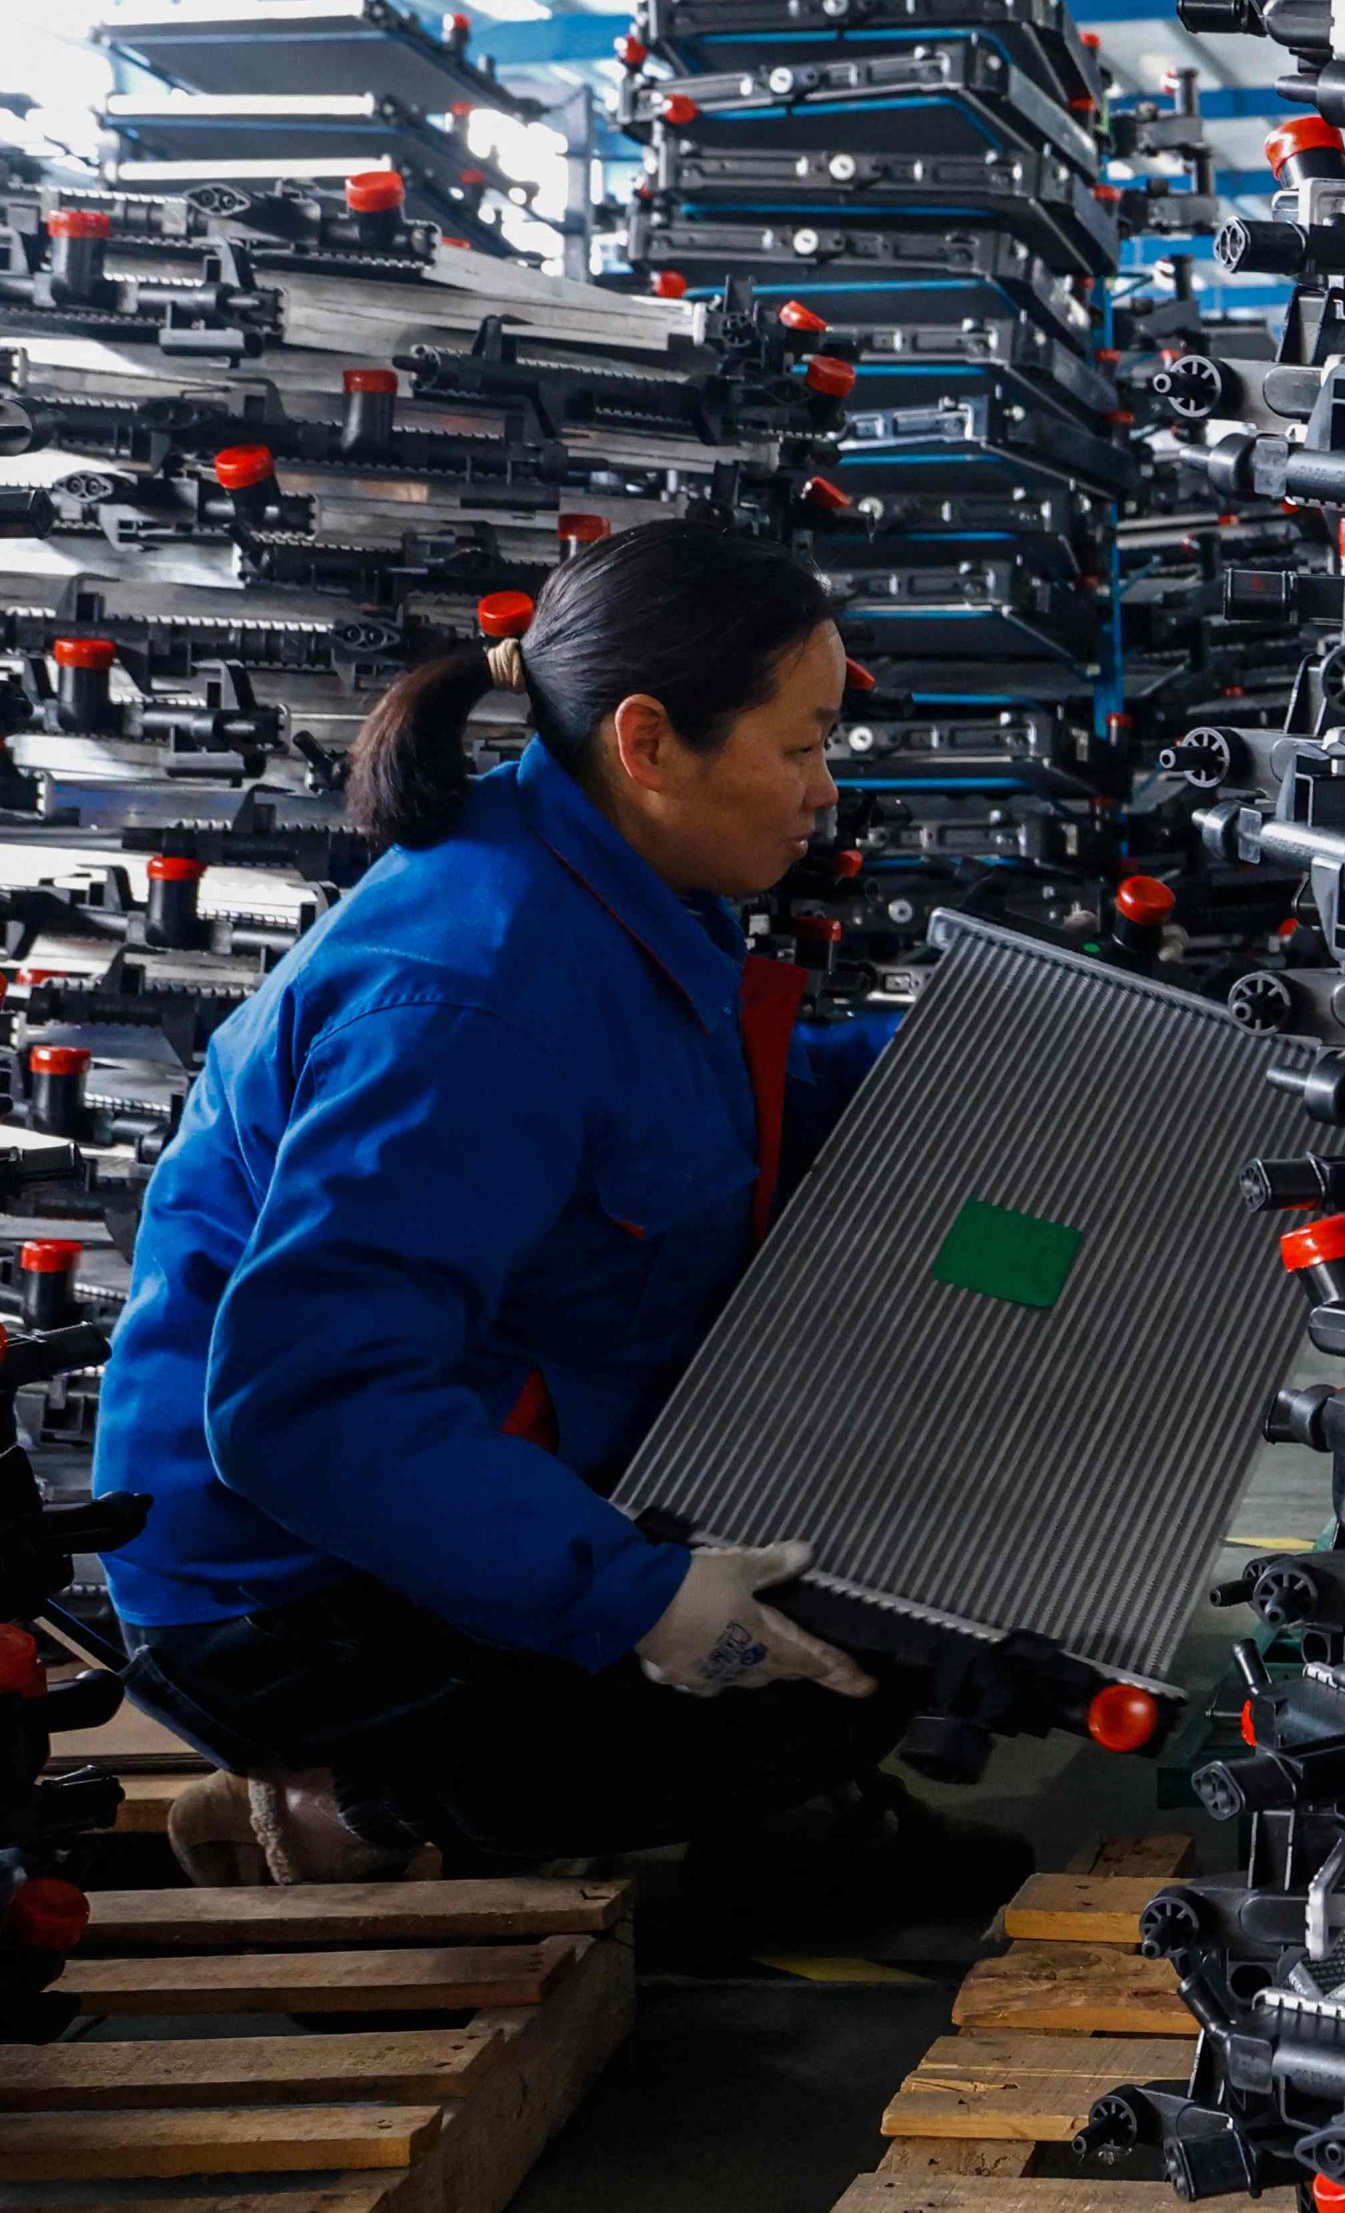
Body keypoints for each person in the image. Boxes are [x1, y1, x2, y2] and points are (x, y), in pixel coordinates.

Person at [95, 523, 926, 1890]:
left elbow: (710, 1116)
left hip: (488, 1431)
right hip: (287, 1585)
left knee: (902, 1520)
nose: (823, 790)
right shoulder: (475, 998)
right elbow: (307, 1407)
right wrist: (639, 1597)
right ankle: (354, 1805)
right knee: (860, 1659)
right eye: (800, 744)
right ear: (650, 741)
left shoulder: (614, 878)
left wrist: (1002, 1065)